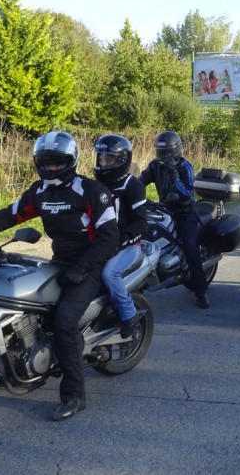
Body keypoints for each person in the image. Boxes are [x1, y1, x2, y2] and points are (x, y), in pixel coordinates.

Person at [0, 131, 119, 422]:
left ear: (71, 160)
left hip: (92, 265)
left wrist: (82, 268)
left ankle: (74, 395)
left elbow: (110, 237)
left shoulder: (91, 191)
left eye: (57, 161)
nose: (51, 167)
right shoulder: (39, 192)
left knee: (64, 322)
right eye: (45, 161)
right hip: (60, 263)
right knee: (1, 303)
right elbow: (8, 215)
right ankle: (10, 370)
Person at [139, 130, 210, 309]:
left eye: (167, 153)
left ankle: (200, 291)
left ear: (176, 150)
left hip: (184, 212)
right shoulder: (155, 165)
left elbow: (187, 192)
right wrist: (133, 194)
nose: (164, 157)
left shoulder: (185, 167)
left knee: (190, 248)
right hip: (163, 208)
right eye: (161, 152)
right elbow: (139, 183)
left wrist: (173, 173)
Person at [92, 134, 148, 338]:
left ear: (122, 160)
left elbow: (141, 224)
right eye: (100, 158)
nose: (102, 163)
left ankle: (128, 314)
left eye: (108, 159)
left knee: (109, 274)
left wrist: (119, 243)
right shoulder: (95, 185)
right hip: (101, 243)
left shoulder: (133, 185)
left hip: (128, 246)